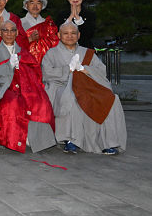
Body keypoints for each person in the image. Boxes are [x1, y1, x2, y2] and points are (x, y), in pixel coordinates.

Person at [42, 23, 126, 155]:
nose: (70, 36)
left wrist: (83, 69)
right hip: (61, 86)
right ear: (59, 35)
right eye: (66, 33)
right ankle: (71, 140)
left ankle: (107, 142)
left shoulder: (87, 53)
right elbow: (46, 74)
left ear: (78, 35)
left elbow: (101, 71)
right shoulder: (51, 53)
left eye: (73, 33)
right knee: (72, 97)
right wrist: (68, 70)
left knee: (110, 99)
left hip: (88, 86)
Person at [0, 21, 56, 154]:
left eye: (12, 30)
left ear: (17, 33)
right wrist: (8, 66)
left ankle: (34, 138)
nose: (9, 33)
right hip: (3, 87)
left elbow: (34, 71)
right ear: (0, 33)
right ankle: (13, 139)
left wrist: (21, 69)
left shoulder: (24, 51)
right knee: (12, 104)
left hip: (25, 86)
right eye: (5, 30)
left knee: (41, 102)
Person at [21, 0, 59, 64]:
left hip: (46, 62)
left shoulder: (47, 24)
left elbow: (54, 43)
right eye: (32, 3)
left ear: (42, 6)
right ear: (26, 5)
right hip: (26, 63)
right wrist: (29, 39)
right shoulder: (19, 23)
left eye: (38, 3)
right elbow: (13, 44)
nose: (35, 6)